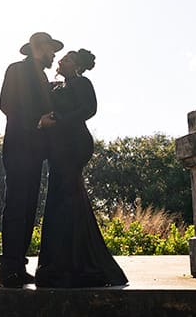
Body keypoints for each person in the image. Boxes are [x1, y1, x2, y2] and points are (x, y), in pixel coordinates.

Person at [34, 48, 128, 288]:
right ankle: (58, 264)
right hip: (57, 148)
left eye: (68, 59)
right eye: (62, 58)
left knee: (67, 198)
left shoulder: (82, 83)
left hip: (74, 144)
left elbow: (89, 109)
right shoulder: (56, 86)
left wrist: (60, 120)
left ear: (77, 66)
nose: (62, 60)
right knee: (60, 199)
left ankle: (76, 267)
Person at [0, 31, 62, 288]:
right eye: (50, 49)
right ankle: (8, 268)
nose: (53, 54)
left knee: (27, 209)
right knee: (16, 206)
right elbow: (6, 104)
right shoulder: (16, 70)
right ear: (38, 47)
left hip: (35, 151)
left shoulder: (42, 76)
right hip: (19, 147)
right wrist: (37, 121)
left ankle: (17, 266)